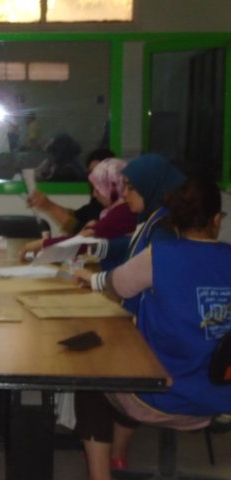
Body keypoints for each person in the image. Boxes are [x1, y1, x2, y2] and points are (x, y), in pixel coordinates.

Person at [73, 177, 231, 480]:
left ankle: (101, 475)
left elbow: (116, 285)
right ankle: (119, 456)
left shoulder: (160, 255)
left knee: (92, 377)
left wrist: (90, 279)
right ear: (215, 219)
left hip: (163, 394)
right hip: (222, 396)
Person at [83, 154, 186, 313]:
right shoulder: (153, 217)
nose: (124, 194)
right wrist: (98, 246)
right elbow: (135, 244)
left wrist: (95, 280)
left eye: (131, 187)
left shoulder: (164, 228)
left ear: (149, 186)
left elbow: (139, 271)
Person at [19, 158, 136, 260]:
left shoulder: (123, 211)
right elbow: (79, 221)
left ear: (114, 187)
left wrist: (43, 244)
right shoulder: (113, 209)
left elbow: (81, 241)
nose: (94, 194)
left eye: (98, 188)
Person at [27, 148, 115, 234]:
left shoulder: (116, 208)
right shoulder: (96, 202)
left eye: (99, 174)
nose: (93, 179)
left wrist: (50, 207)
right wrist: (46, 204)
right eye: (91, 173)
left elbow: (83, 233)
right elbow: (78, 216)